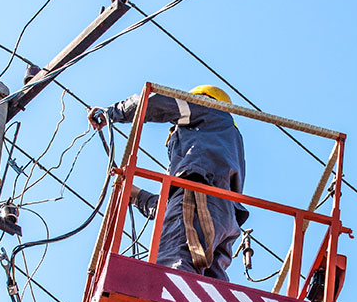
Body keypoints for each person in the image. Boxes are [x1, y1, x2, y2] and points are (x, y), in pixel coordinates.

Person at [89, 85, 247, 281]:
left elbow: (155, 102)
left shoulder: (208, 108)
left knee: (173, 271)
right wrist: (138, 196)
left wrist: (111, 113)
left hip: (198, 199)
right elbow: (171, 207)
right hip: (225, 222)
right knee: (211, 286)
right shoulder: (226, 144)